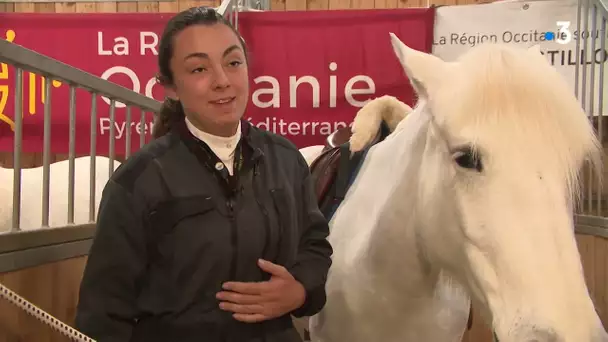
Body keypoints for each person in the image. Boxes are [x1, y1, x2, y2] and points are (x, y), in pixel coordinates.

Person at [74, 6, 333, 342]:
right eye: (199, 68)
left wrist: (299, 290)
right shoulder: (138, 181)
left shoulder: (286, 160)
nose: (222, 80)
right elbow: (103, 313)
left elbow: (314, 246)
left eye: (233, 62)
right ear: (170, 88)